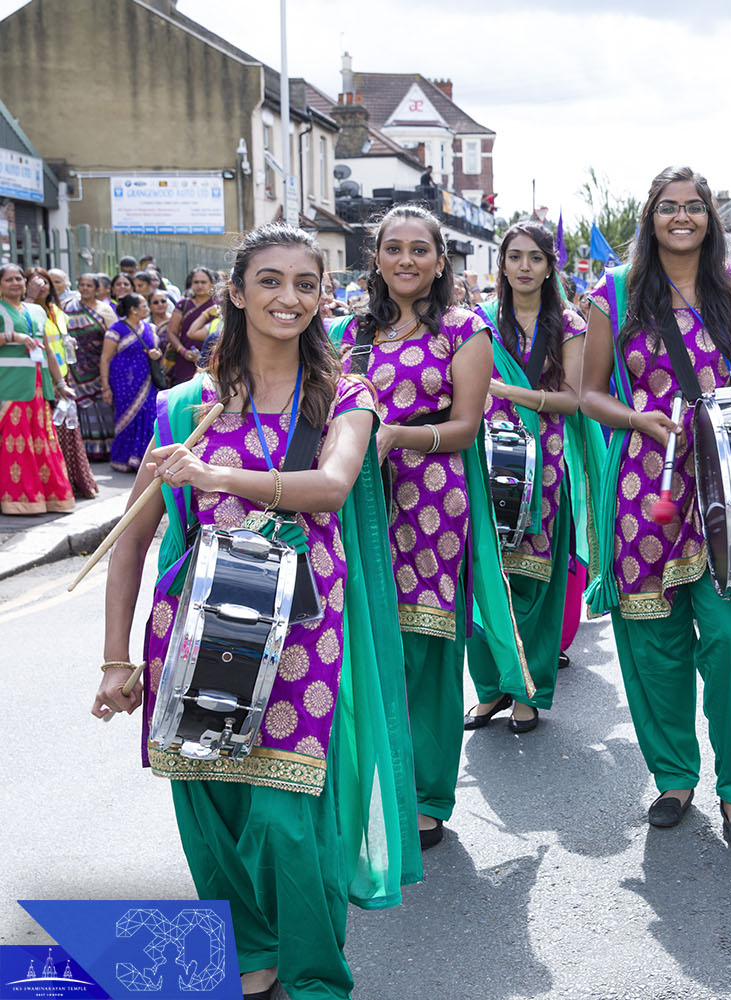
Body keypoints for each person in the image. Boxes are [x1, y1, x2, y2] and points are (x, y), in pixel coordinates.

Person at [91, 223, 421, 1000]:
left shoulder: (345, 395)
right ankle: (250, 951)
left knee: (285, 818)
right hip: (195, 626)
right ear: (236, 293)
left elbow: (335, 485)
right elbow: (131, 545)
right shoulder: (182, 409)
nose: (289, 298)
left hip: (304, 629)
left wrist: (219, 477)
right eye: (270, 281)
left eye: (306, 284)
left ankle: (314, 978)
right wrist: (115, 660)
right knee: (211, 806)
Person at [580, 165, 731, 845]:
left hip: (729, 479)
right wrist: (638, 420)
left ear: (710, 217)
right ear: (651, 217)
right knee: (653, 641)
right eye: (668, 207)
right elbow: (590, 394)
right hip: (644, 482)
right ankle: (673, 776)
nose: (682, 217)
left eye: (694, 207)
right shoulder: (616, 292)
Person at [335, 204, 525, 849]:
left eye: (421, 249)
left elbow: (468, 425)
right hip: (353, 499)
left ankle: (426, 795)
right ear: (377, 258)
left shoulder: (461, 329)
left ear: (441, 261)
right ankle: (370, 788)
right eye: (394, 249)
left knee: (426, 651)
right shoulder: (347, 334)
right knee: (361, 645)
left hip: (431, 503)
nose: (407, 260)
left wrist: (396, 437)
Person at [466, 220, 601, 732]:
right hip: (483, 461)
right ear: (501, 263)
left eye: (535, 258)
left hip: (544, 468)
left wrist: (507, 393)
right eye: (515, 256)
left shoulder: (568, 323)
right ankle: (490, 689)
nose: (524, 267)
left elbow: (573, 398)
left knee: (535, 584)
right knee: (484, 580)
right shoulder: (479, 322)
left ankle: (527, 691)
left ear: (550, 266)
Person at [1, 263, 75, 515]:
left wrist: (61, 383)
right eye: (9, 279)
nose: (15, 283)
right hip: (8, 387)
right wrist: (14, 338)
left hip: (38, 387)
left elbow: (49, 352)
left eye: (18, 278)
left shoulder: (36, 311)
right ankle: (15, 501)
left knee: (40, 442)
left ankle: (44, 498)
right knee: (12, 442)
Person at [25, 268, 97, 498]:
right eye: (37, 282)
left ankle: (71, 482)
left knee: (67, 430)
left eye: (48, 282)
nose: (43, 286)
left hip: (61, 375)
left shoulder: (57, 310)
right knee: (50, 430)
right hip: (37, 377)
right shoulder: (27, 311)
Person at [101, 293, 162, 472]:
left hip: (146, 381)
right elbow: (105, 358)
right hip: (123, 383)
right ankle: (123, 460)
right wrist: (105, 386)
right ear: (133, 310)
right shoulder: (116, 329)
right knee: (126, 419)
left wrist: (156, 354)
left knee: (148, 417)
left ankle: (142, 461)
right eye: (143, 305)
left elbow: (155, 350)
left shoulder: (150, 328)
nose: (147, 308)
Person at [64, 273, 116, 461]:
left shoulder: (105, 310)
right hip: (76, 368)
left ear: (97, 289)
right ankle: (85, 450)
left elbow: (113, 336)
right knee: (82, 408)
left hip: (99, 365)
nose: (85, 288)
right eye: (82, 284)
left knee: (102, 406)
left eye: (89, 285)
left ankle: (105, 449)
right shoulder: (69, 307)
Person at [167, 266, 218, 383]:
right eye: (196, 282)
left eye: (203, 282)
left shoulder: (218, 306)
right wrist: (183, 351)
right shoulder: (183, 304)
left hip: (212, 361)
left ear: (212, 284)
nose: (199, 285)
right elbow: (171, 333)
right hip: (185, 359)